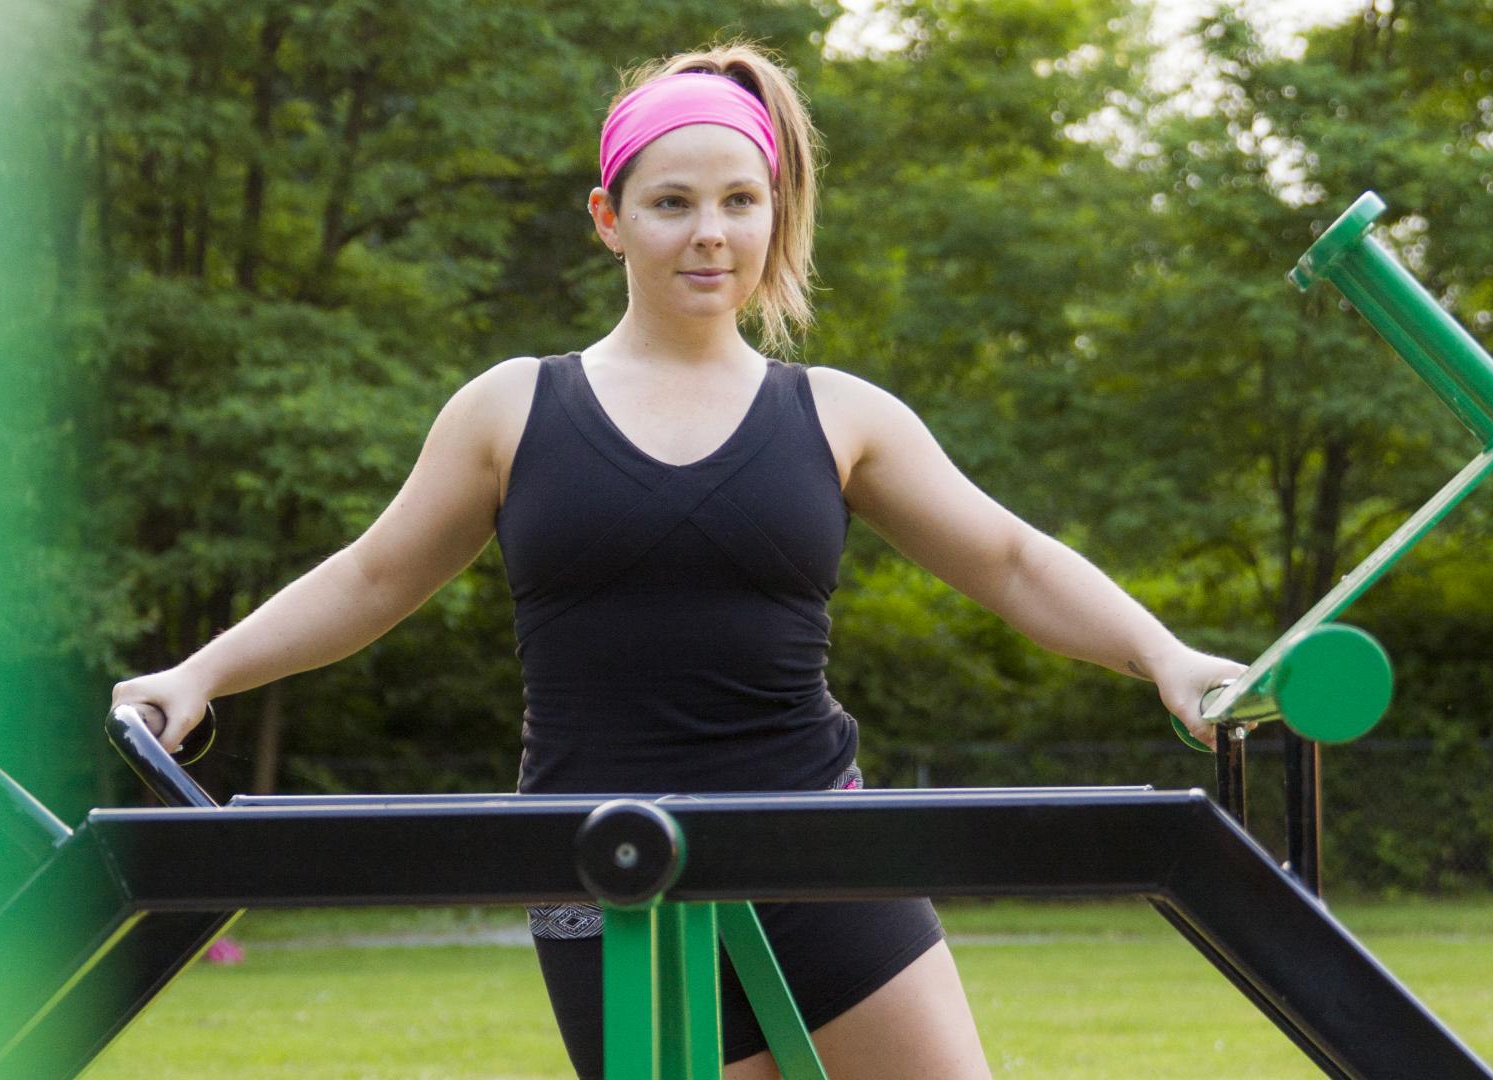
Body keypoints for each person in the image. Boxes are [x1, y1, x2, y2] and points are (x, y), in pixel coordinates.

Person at [111, 40, 1244, 1080]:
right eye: (672, 203)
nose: (710, 231)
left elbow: (1009, 559)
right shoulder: (511, 409)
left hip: (822, 855)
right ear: (609, 218)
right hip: (603, 871)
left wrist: (1164, 656)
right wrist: (200, 674)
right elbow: (370, 579)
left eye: (739, 201)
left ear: (773, 211)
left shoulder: (841, 416)